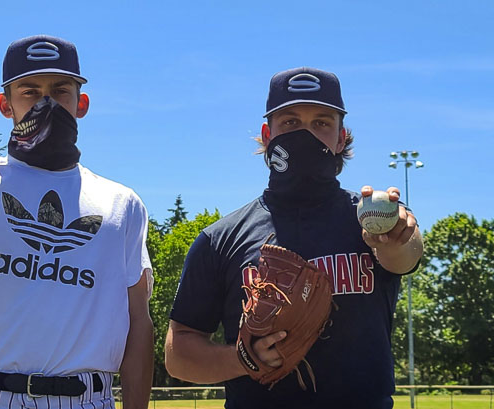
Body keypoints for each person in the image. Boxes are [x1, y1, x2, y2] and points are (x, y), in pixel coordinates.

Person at [0, 35, 154, 409]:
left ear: (81, 103)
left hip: (83, 400)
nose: (45, 103)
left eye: (60, 90)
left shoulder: (123, 204)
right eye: (29, 92)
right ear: (6, 105)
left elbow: (138, 322)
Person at [164, 67, 423, 408]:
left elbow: (406, 256)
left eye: (321, 123)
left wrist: (398, 237)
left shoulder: (372, 222)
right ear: (267, 134)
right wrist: (242, 359)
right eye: (290, 122)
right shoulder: (221, 238)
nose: (306, 134)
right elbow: (178, 353)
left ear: (341, 137)